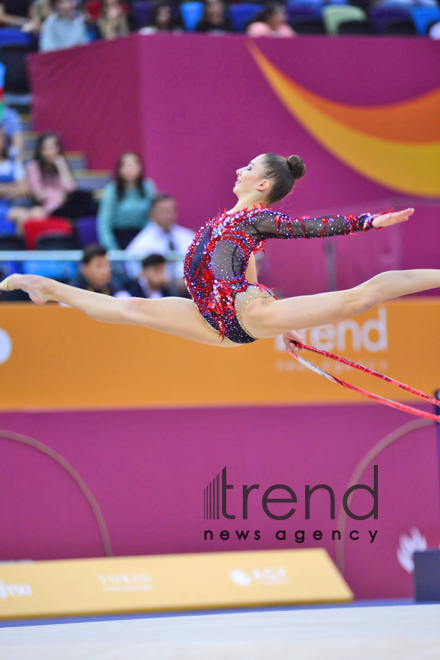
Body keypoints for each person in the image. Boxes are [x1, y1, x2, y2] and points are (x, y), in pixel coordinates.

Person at [1, 153, 438, 353]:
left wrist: (368, 222)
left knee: (356, 299)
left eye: (247, 168)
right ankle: (44, 286)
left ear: (262, 185)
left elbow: (311, 227)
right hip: (212, 317)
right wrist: (283, 328)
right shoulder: (226, 223)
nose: (238, 170)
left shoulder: (259, 218)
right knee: (127, 308)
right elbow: (242, 265)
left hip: (244, 314)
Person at [8, 131, 97, 233]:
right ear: (40, 150)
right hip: (50, 209)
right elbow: (38, 194)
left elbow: (71, 189)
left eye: (54, 147)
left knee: (95, 206)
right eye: (46, 148)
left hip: (66, 206)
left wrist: (61, 165)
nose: (50, 151)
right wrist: (58, 197)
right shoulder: (33, 166)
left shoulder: (61, 165)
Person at [125, 193, 195, 292]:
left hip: (189, 291)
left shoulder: (188, 237)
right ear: (152, 213)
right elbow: (134, 272)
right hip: (158, 294)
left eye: (171, 210)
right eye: (163, 211)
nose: (167, 215)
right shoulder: (141, 243)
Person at [97, 152, 156, 250]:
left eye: (133, 165)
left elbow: (153, 216)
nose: (129, 170)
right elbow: (104, 222)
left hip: (143, 235)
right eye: (125, 166)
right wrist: (112, 248)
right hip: (119, 236)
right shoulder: (112, 190)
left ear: (140, 167)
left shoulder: (148, 187)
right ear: (119, 169)